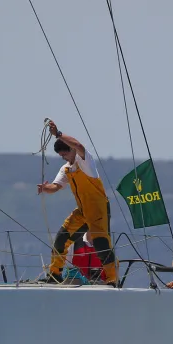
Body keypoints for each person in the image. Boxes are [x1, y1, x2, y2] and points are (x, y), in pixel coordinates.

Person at [37, 120, 117, 285]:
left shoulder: (85, 160)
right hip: (83, 211)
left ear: (71, 149)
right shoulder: (66, 169)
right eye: (61, 156)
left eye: (64, 154)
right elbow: (56, 186)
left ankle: (112, 279)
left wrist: (58, 134)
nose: (63, 158)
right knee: (61, 238)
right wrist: (46, 188)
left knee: (101, 243)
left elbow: (79, 145)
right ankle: (55, 274)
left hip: (98, 209)